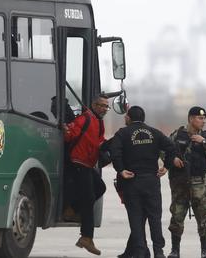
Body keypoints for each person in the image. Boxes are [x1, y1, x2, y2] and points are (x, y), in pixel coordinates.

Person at [109, 106, 183, 258]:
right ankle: (158, 251)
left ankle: (140, 251)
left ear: (128, 118)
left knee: (136, 218)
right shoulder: (155, 133)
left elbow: (114, 152)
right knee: (154, 218)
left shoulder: (122, 133)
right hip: (151, 181)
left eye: (126, 116)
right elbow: (172, 147)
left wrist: (121, 169)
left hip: (132, 181)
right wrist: (167, 166)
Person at [166, 106, 206, 258]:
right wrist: (173, 160)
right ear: (191, 119)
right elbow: (164, 150)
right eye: (200, 118)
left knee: (203, 217)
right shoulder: (177, 134)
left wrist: (204, 142)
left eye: (204, 118)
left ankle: (205, 251)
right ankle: (175, 251)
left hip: (199, 183)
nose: (203, 121)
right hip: (180, 183)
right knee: (177, 217)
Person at [63, 94, 109, 255]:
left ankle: (71, 210)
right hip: (77, 163)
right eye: (102, 105)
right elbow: (69, 135)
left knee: (100, 187)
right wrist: (66, 129)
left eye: (106, 106)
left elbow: (100, 141)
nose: (104, 109)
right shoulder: (85, 118)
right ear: (94, 105)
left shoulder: (99, 122)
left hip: (88, 164)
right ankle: (86, 237)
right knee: (88, 198)